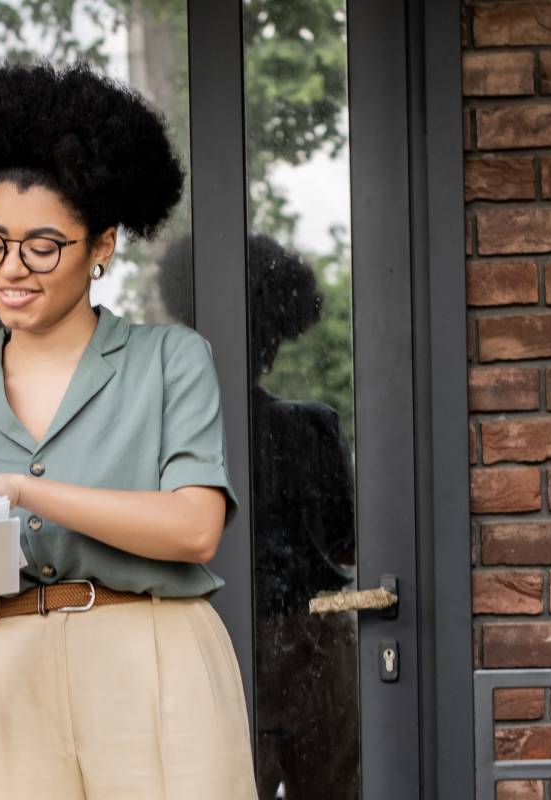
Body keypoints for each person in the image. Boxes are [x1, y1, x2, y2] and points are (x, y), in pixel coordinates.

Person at [0, 63, 255, 800]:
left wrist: (22, 490)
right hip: (5, 682)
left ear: (103, 246)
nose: (10, 268)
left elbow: (194, 527)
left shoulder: (169, 360)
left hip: (153, 655)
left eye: (43, 245)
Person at [160, 234, 360, 797]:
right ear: (274, 339)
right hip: (317, 635)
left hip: (221, 632)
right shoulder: (312, 426)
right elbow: (348, 545)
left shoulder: (179, 437)